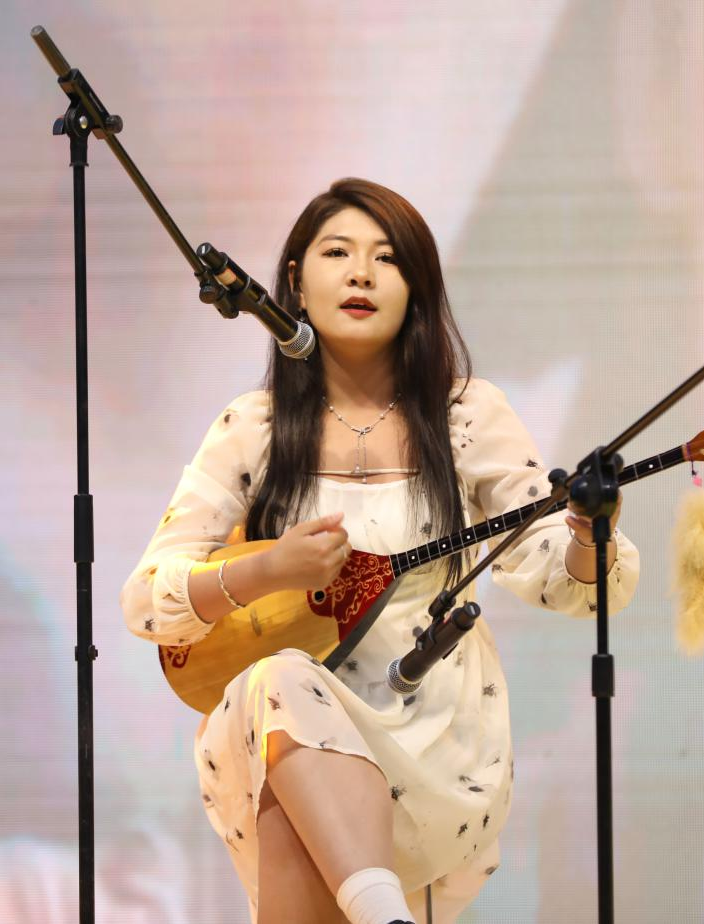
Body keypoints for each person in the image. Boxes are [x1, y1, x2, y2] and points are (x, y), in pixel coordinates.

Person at [121, 178, 640, 924]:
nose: (361, 274)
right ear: (296, 280)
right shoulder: (253, 426)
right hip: (283, 719)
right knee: (279, 685)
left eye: (387, 258)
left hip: (430, 732)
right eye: (337, 253)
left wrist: (590, 530)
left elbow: (567, 579)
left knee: (284, 753)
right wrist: (268, 568)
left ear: (416, 290)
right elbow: (147, 603)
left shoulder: (466, 414)